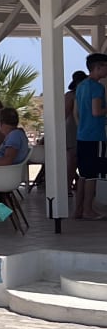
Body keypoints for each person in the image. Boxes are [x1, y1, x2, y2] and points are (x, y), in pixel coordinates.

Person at [75, 54, 107, 221]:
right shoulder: (97, 87)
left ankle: (78, 209)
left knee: (83, 174)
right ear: (98, 67)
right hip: (95, 135)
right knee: (92, 175)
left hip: (82, 135)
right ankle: (88, 209)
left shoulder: (81, 86)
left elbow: (77, 112)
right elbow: (96, 111)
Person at [66, 70, 88, 197]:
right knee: (72, 160)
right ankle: (67, 187)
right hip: (72, 130)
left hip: (83, 129)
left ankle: (77, 185)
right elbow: (64, 114)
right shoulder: (71, 96)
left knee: (80, 160)